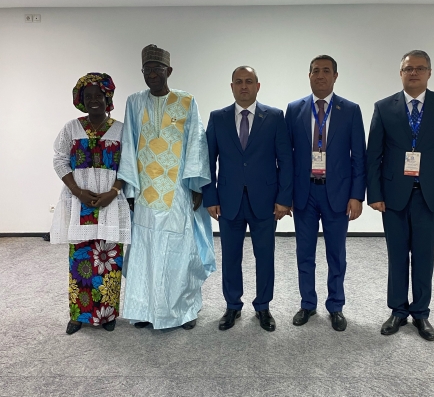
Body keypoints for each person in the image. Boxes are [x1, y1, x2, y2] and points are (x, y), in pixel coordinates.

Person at [367, 50, 434, 341]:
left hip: (430, 196)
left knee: (424, 255)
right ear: (401, 73)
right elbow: (373, 156)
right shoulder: (384, 107)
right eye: (408, 68)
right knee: (397, 255)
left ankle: (421, 313)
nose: (414, 73)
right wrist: (374, 193)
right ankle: (398, 311)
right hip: (393, 196)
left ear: (429, 73)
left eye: (420, 68)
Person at [118, 44, 215, 330]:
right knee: (146, 250)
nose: (152, 74)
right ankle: (144, 310)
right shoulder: (134, 102)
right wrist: (130, 190)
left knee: (179, 250)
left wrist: (196, 186)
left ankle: (183, 311)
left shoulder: (186, 101)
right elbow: (128, 142)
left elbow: (196, 142)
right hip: (145, 192)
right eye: (147, 69)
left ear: (168, 71)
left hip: (177, 191)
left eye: (157, 69)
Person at [203, 66, 293, 332]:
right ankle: (232, 305)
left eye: (249, 81)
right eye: (239, 82)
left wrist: (284, 198)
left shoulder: (274, 117)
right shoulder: (218, 118)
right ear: (231, 86)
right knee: (231, 256)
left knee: (265, 256)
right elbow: (207, 161)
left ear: (258, 86)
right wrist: (210, 197)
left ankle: (263, 306)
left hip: (265, 200)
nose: (244, 86)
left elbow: (285, 161)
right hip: (228, 200)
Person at [285, 55, 366, 330]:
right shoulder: (294, 109)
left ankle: (336, 306)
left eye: (326, 71)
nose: (320, 75)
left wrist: (356, 195)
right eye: (315, 71)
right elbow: (285, 156)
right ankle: (307, 304)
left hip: (338, 194)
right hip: (304, 193)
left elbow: (359, 157)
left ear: (335, 76)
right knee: (304, 253)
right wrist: (286, 196)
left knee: (336, 254)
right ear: (309, 75)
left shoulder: (350, 110)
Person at [51, 73, 131, 335]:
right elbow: (59, 160)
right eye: (88, 96)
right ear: (81, 100)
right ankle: (78, 315)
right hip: (80, 202)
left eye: (99, 95)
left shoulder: (121, 130)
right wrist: (77, 191)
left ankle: (107, 315)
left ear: (108, 98)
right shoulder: (71, 129)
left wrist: (114, 191)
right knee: (80, 260)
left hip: (111, 201)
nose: (94, 100)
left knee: (109, 258)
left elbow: (129, 165)